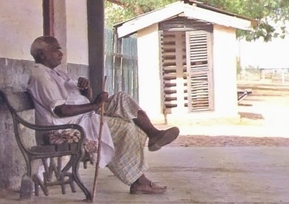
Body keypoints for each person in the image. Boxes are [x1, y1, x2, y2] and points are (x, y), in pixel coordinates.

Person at [27, 35, 180, 194]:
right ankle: (139, 181)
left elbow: (81, 99)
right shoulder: (41, 77)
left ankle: (154, 134)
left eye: (60, 49)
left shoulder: (57, 73)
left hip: (83, 115)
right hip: (69, 124)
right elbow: (61, 111)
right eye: (55, 49)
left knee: (122, 98)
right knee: (126, 128)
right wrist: (95, 104)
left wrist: (86, 90)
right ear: (42, 54)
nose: (60, 53)